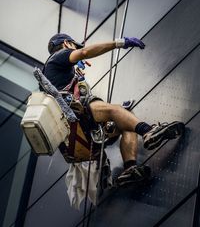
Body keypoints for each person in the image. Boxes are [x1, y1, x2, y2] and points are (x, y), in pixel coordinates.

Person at [43, 33, 185, 186]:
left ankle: (130, 168)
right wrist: (120, 43)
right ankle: (149, 131)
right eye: (74, 47)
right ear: (66, 43)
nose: (76, 50)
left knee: (126, 122)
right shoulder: (58, 57)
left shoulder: (54, 73)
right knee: (114, 110)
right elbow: (84, 52)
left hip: (78, 134)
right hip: (75, 117)